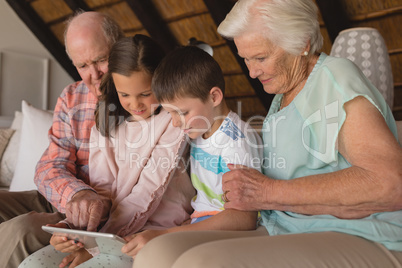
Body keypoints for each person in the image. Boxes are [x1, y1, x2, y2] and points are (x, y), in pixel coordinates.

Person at [132, 0, 402, 267]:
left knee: (201, 263)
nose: (251, 71)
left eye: (261, 57)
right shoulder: (284, 94)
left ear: (303, 43)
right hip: (283, 227)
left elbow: (390, 183)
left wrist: (269, 191)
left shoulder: (335, 79)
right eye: (246, 59)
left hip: (357, 233)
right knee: (156, 253)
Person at [19, 35, 195, 268]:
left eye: (145, 93)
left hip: (149, 233)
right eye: (125, 95)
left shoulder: (173, 121)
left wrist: (94, 247)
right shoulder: (106, 117)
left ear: (161, 82)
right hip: (107, 233)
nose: (135, 104)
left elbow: (146, 194)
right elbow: (102, 190)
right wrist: (71, 230)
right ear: (114, 86)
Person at [0, 10, 124, 268]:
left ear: (121, 48)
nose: (94, 74)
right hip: (66, 195)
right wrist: (77, 193)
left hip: (102, 209)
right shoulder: (72, 96)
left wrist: (89, 202)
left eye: (101, 60)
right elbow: (49, 166)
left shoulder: (143, 99)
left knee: (21, 229)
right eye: (82, 66)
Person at [120, 45, 263, 258]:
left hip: (231, 232)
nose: (176, 123)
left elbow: (244, 218)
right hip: (201, 222)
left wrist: (168, 234)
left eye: (183, 112)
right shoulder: (199, 132)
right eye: (171, 114)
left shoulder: (236, 141)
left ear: (214, 97)